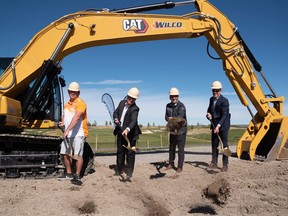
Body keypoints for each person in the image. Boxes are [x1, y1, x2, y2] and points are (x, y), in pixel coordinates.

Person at [58, 81, 88, 185]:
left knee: (78, 155)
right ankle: (69, 173)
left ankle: (77, 176)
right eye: (71, 91)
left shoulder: (81, 103)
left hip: (78, 134)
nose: (72, 93)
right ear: (68, 91)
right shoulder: (66, 104)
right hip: (68, 134)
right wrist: (62, 122)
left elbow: (76, 118)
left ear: (78, 93)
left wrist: (67, 130)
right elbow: (65, 116)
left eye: (74, 92)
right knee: (65, 154)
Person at [113, 87, 141, 181]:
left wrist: (127, 129)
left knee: (130, 154)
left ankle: (129, 173)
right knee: (120, 152)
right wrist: (116, 118)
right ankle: (119, 169)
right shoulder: (121, 103)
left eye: (133, 99)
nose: (131, 100)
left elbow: (133, 121)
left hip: (131, 134)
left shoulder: (135, 109)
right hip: (120, 131)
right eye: (130, 97)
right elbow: (116, 112)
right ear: (127, 96)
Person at [206, 81, 231, 172]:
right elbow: (209, 110)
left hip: (223, 125)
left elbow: (225, 115)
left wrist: (218, 126)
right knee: (214, 145)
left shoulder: (225, 101)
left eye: (217, 90)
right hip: (214, 125)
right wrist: (208, 114)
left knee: (224, 145)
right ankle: (214, 163)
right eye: (213, 90)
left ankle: (225, 165)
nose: (215, 92)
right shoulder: (211, 99)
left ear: (220, 90)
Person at [165, 87, 187, 173]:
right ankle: (171, 164)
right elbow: (166, 117)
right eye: (172, 96)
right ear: (170, 97)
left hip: (181, 131)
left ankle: (180, 166)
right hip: (172, 130)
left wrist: (171, 119)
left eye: (176, 96)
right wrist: (169, 119)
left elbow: (180, 119)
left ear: (178, 96)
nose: (174, 98)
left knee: (180, 149)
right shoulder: (168, 106)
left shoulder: (181, 106)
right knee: (171, 148)